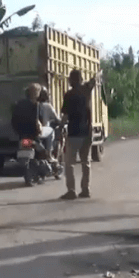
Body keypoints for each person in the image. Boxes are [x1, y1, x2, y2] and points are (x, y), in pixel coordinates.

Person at [59, 68, 101, 200]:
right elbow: (94, 80)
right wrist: (99, 73)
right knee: (85, 162)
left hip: (74, 133)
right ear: (81, 79)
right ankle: (85, 189)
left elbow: (65, 116)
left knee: (69, 163)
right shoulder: (86, 90)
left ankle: (71, 190)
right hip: (87, 132)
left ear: (71, 80)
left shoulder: (69, 95)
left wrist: (60, 127)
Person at [37, 87, 61, 161]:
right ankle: (49, 153)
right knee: (51, 132)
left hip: (31, 130)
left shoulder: (34, 105)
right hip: (43, 130)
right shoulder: (47, 106)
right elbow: (56, 119)